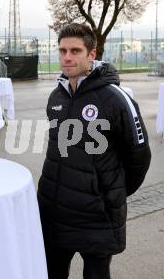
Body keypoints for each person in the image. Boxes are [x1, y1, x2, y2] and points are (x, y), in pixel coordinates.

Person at [37, 23, 151, 279]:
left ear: (92, 54)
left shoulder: (115, 98)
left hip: (97, 216)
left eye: (75, 51)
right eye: (62, 50)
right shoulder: (57, 96)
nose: (67, 57)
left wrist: (110, 191)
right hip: (55, 211)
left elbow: (140, 156)